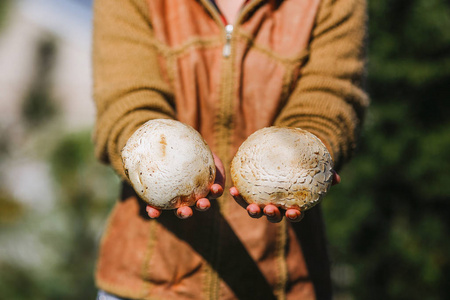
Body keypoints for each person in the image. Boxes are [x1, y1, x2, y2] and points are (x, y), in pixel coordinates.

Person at [92, 0, 369, 299]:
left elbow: (331, 95)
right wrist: (150, 157)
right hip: (149, 283)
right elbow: (126, 98)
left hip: (282, 282)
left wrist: (313, 149)